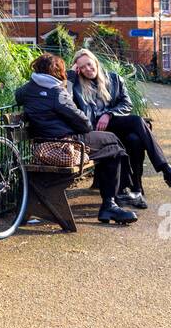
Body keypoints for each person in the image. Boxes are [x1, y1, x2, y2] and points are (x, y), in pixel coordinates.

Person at [14, 53, 138, 224]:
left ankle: (111, 202)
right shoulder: (57, 92)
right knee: (113, 143)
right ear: (57, 71)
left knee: (112, 146)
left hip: (44, 142)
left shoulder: (28, 89)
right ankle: (111, 203)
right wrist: (69, 79)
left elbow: (18, 96)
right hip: (65, 142)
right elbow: (85, 124)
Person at [69, 48, 171, 210]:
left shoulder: (114, 79)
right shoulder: (76, 85)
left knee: (135, 139)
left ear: (95, 62)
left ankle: (139, 188)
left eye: (89, 64)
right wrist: (71, 75)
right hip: (97, 131)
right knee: (137, 125)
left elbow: (127, 104)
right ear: (78, 69)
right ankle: (163, 173)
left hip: (115, 124)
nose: (87, 69)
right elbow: (72, 105)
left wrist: (109, 114)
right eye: (82, 67)